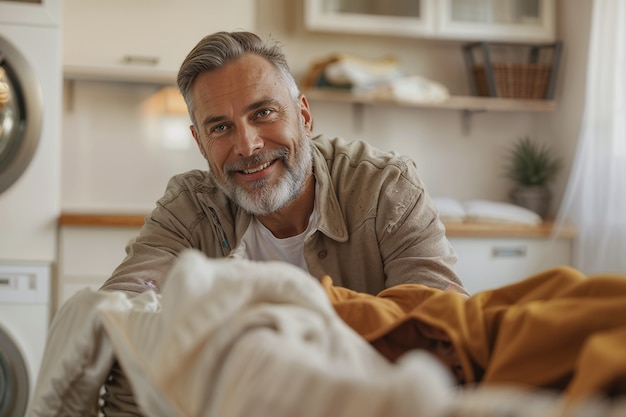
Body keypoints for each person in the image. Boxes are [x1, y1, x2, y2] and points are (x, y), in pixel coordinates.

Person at [98, 30, 466, 415]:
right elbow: (121, 310)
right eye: (220, 127)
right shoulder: (189, 206)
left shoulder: (384, 186)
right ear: (200, 143)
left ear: (304, 116)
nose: (248, 145)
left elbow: (448, 331)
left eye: (263, 113)